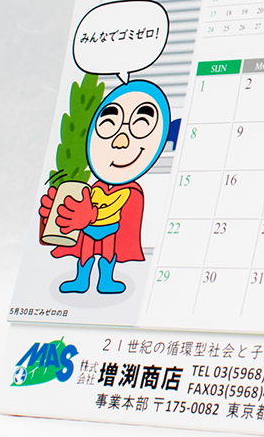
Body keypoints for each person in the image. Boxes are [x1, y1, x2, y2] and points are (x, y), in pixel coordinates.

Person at [39, 79, 170, 294]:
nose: (120, 141)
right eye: (109, 124)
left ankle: (106, 281)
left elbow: (116, 207)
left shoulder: (130, 191)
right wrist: (58, 211)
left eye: (140, 125)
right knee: (86, 253)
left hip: (109, 229)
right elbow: (84, 202)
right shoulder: (94, 186)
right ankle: (81, 280)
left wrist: (91, 214)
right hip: (89, 230)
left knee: (108, 253)